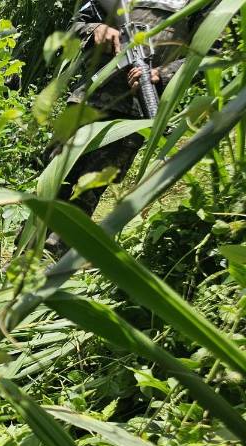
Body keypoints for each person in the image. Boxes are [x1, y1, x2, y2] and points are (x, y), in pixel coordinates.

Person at [40, 0, 208, 256]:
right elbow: (75, 25)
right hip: (90, 99)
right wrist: (95, 29)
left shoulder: (199, 5)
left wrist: (162, 74)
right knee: (53, 176)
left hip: (135, 114)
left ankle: (49, 258)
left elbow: (207, 54)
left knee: (88, 190)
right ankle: (26, 246)